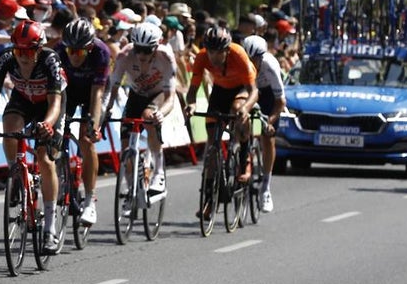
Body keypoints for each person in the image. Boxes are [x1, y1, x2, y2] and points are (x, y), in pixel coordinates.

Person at [0, 19, 67, 239]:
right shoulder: (6, 58)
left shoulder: (50, 60)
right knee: (10, 125)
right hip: (23, 98)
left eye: (28, 50)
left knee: (44, 157)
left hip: (50, 104)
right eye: (18, 50)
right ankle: (15, 172)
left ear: (38, 48)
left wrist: (48, 124)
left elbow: (55, 105)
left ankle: (50, 227)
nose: (22, 56)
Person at [184, 24, 259, 219]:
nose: (213, 58)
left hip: (241, 89)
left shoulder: (239, 54)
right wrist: (191, 105)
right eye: (210, 52)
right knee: (212, 147)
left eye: (218, 53)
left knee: (237, 109)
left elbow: (253, 91)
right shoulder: (201, 57)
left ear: (226, 50)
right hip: (220, 91)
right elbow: (192, 90)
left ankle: (245, 157)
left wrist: (245, 108)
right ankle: (209, 200)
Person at [105, 22, 180, 212]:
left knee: (149, 117)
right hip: (136, 95)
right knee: (125, 148)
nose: (141, 55)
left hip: (158, 95)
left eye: (147, 51)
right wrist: (106, 112)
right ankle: (132, 190)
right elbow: (112, 90)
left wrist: (161, 114)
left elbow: (171, 98)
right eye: (138, 49)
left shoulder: (166, 56)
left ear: (158, 45)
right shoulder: (124, 56)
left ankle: (159, 172)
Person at [53, 17, 112, 241]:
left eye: (80, 52)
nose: (74, 56)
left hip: (93, 92)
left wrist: (93, 126)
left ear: (89, 48)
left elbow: (97, 95)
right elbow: (55, 93)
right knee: (56, 138)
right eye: (71, 50)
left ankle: (89, 199)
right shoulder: (58, 51)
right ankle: (61, 177)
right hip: (69, 91)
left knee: (86, 140)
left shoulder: (101, 53)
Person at [242, 34, 285, 213]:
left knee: (268, 138)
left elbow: (280, 102)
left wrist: (270, 121)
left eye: (255, 60)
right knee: (240, 123)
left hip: (267, 95)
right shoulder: (240, 63)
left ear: (261, 57)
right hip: (246, 88)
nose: (252, 64)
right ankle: (240, 160)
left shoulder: (270, 66)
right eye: (248, 59)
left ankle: (266, 187)